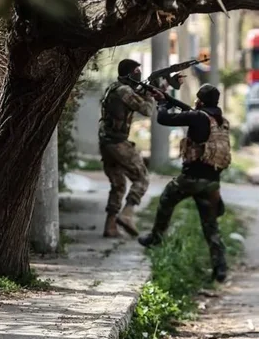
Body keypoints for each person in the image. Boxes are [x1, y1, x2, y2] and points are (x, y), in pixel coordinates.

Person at [138, 84, 233, 283]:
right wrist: (169, 100)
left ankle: (156, 237)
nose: (195, 101)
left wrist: (162, 102)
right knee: (211, 226)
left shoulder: (198, 117)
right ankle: (220, 268)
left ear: (201, 100)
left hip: (191, 179)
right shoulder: (221, 121)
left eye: (198, 98)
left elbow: (163, 119)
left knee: (166, 198)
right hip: (212, 182)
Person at [98, 59, 157, 238]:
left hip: (106, 141)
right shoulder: (124, 91)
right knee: (142, 178)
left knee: (118, 184)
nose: (139, 73)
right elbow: (146, 110)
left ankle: (110, 227)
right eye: (136, 70)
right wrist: (151, 94)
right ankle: (127, 214)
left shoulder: (114, 88)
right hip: (117, 143)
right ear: (129, 73)